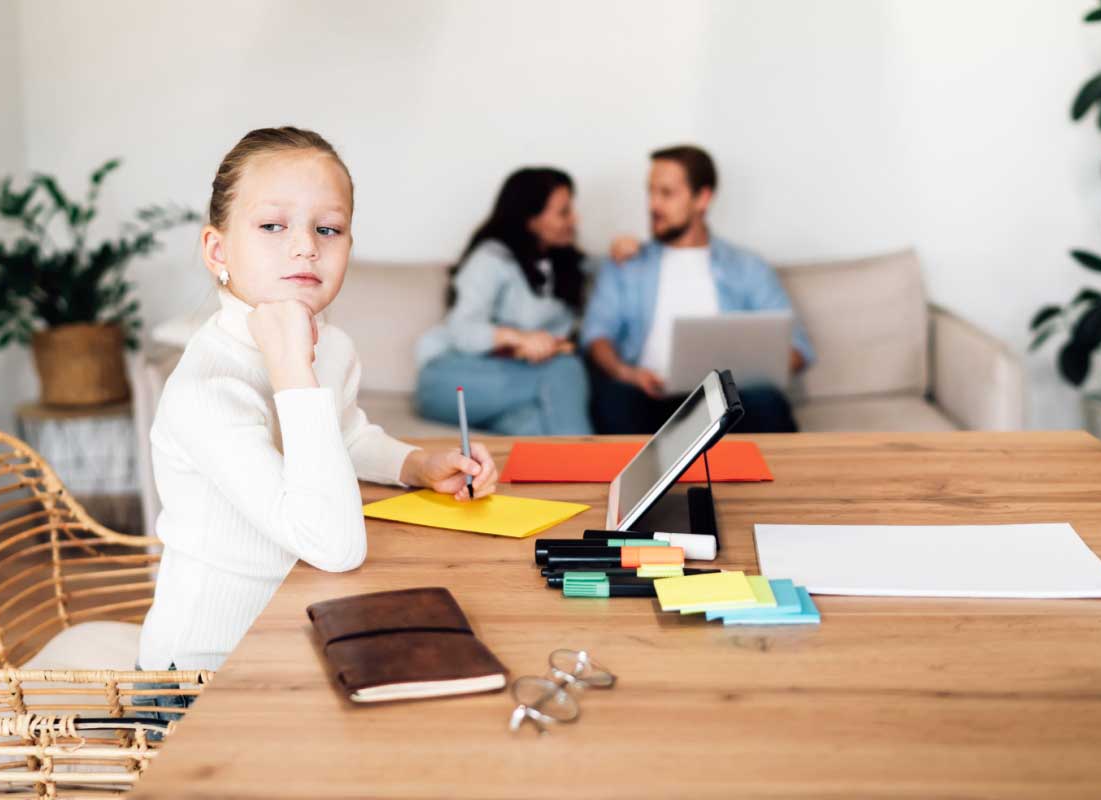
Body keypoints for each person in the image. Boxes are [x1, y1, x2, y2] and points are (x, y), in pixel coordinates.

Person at [136, 127, 499, 716]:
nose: (305, 247)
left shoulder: (330, 346)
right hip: (201, 678)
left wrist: (418, 464)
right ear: (217, 251)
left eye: (327, 229)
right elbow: (333, 545)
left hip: (297, 628)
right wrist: (288, 369)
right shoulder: (206, 389)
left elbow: (345, 435)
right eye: (273, 226)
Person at [581, 145, 814, 434]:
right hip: (646, 395)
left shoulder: (748, 267)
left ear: (702, 198)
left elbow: (799, 348)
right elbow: (596, 333)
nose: (653, 204)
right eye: (650, 192)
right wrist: (625, 373)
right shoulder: (627, 262)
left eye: (666, 193)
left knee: (767, 404)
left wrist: (753, 367)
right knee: (613, 400)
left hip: (723, 402)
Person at [415, 168, 595, 435]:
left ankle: (577, 471)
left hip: (513, 384)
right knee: (565, 371)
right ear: (531, 218)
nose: (575, 219)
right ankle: (595, 470)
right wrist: (519, 339)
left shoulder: (567, 266)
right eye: (563, 212)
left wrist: (625, 252)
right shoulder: (492, 259)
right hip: (451, 379)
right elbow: (462, 331)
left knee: (534, 426)